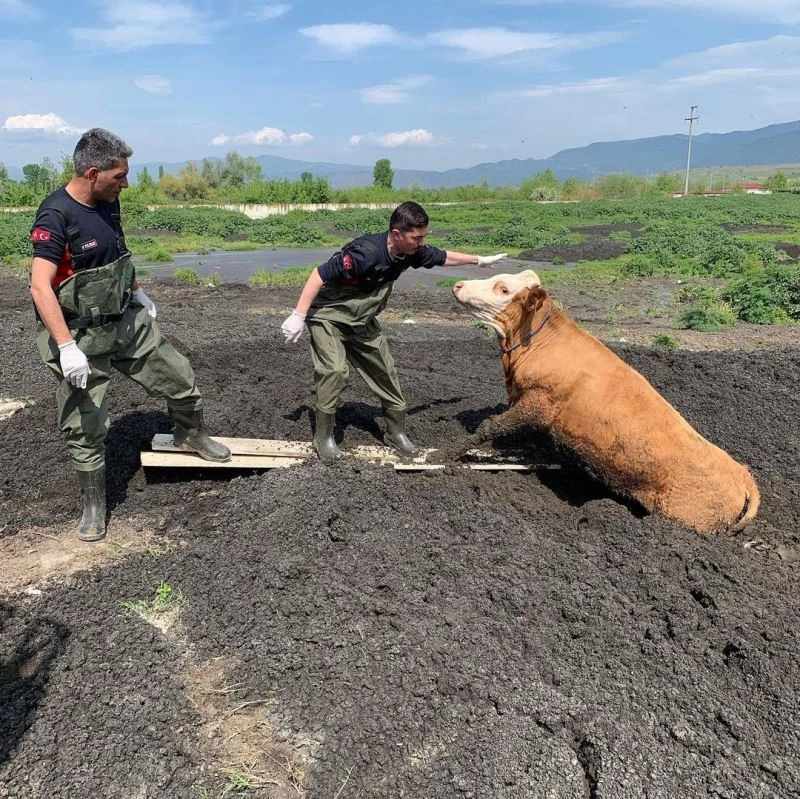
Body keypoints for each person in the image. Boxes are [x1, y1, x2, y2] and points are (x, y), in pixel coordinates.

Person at [29, 128, 230, 543]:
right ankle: (94, 505)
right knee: (85, 424)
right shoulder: (55, 215)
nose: (126, 183)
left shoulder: (108, 203)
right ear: (92, 173)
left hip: (125, 322)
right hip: (81, 336)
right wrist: (66, 347)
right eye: (119, 176)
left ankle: (190, 435)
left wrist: (137, 291)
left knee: (179, 377)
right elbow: (39, 286)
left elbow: (118, 253)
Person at [280, 200, 507, 462]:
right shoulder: (364, 254)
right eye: (417, 238)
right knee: (334, 371)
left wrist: (480, 261)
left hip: (362, 320)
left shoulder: (411, 251)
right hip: (329, 316)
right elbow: (318, 275)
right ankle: (324, 437)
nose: (421, 243)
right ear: (397, 234)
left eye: (423, 237)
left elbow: (443, 256)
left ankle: (395, 432)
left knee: (386, 372)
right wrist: (298, 315)